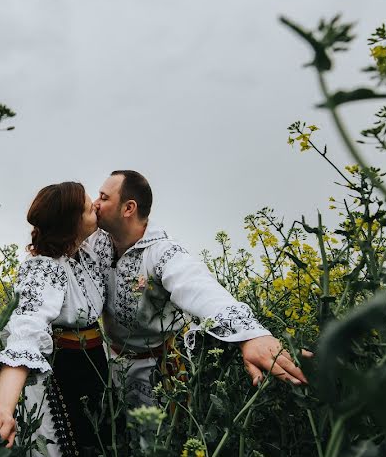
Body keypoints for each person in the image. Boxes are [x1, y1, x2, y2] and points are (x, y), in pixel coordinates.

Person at [87, 170, 309, 407]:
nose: (95, 203)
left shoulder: (163, 251)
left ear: (128, 208)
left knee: (153, 439)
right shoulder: (95, 238)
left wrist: (251, 335)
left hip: (154, 368)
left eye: (104, 197)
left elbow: (197, 287)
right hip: (105, 361)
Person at [0, 182, 111, 457]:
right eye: (90, 207)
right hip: (63, 377)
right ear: (73, 223)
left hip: (93, 366)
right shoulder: (43, 270)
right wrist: (2, 405)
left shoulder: (85, 251)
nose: (97, 208)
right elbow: (27, 327)